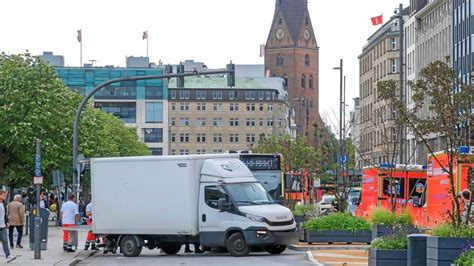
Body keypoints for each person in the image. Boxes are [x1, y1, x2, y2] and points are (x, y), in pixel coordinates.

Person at [0, 190, 16, 263]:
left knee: (5, 241)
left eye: (5, 195)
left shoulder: (3, 204)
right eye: (4, 195)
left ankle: (8, 256)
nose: (5, 197)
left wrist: (6, 222)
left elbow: (4, 215)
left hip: (2, 226)